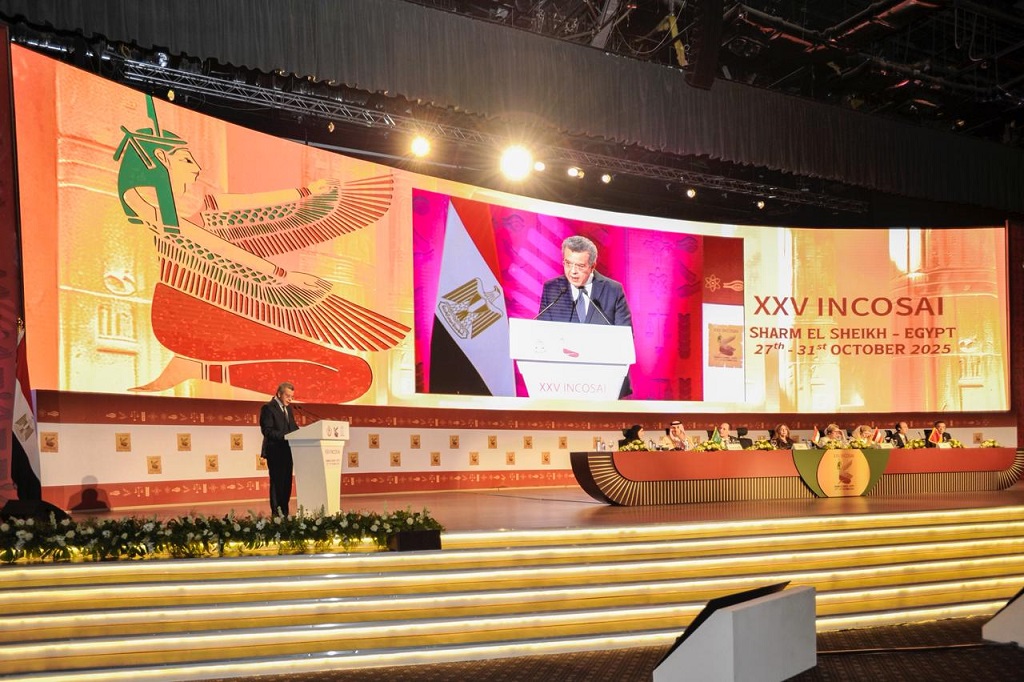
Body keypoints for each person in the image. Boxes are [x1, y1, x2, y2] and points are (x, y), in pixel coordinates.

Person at [116, 95, 409, 404]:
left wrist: (307, 192)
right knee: (348, 373)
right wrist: (281, 274)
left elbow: (260, 204)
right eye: (186, 160)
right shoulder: (144, 202)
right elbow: (206, 242)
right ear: (161, 159)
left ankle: (200, 368)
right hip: (184, 314)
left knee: (354, 374)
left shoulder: (206, 207)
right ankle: (200, 367)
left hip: (221, 314)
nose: (197, 167)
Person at [537, 235, 633, 397]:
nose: (572, 271)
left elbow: (625, 338)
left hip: (604, 381)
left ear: (592, 266)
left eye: (580, 266)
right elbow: (542, 334)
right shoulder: (552, 289)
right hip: (561, 382)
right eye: (568, 263)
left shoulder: (613, 290)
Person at [260, 381, 299, 515]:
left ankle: (285, 513)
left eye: (292, 396)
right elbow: (267, 431)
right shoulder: (268, 408)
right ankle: (276, 515)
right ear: (279, 394)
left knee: (286, 483)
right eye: (287, 396)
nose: (290, 399)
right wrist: (286, 436)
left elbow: (293, 428)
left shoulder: (289, 409)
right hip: (275, 451)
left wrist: (304, 433)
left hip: (288, 451)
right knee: (277, 483)